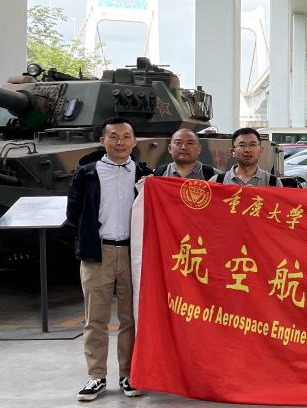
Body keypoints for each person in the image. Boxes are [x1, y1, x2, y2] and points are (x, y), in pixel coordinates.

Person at [67, 117, 151, 401]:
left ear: (134, 141)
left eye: (126, 136)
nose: (120, 142)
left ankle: (129, 374)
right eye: (113, 136)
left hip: (132, 254)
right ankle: (96, 376)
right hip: (97, 254)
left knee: (131, 319)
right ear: (102, 141)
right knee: (95, 319)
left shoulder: (144, 174)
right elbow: (73, 212)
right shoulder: (87, 173)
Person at [209, 127, 282, 187]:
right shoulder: (216, 182)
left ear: (261, 150)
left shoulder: (273, 183)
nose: (247, 150)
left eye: (253, 145)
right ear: (233, 151)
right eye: (242, 145)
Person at [153, 128, 220, 180]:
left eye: (190, 143)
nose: (184, 147)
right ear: (170, 148)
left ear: (199, 149)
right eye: (178, 143)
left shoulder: (216, 176)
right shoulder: (157, 174)